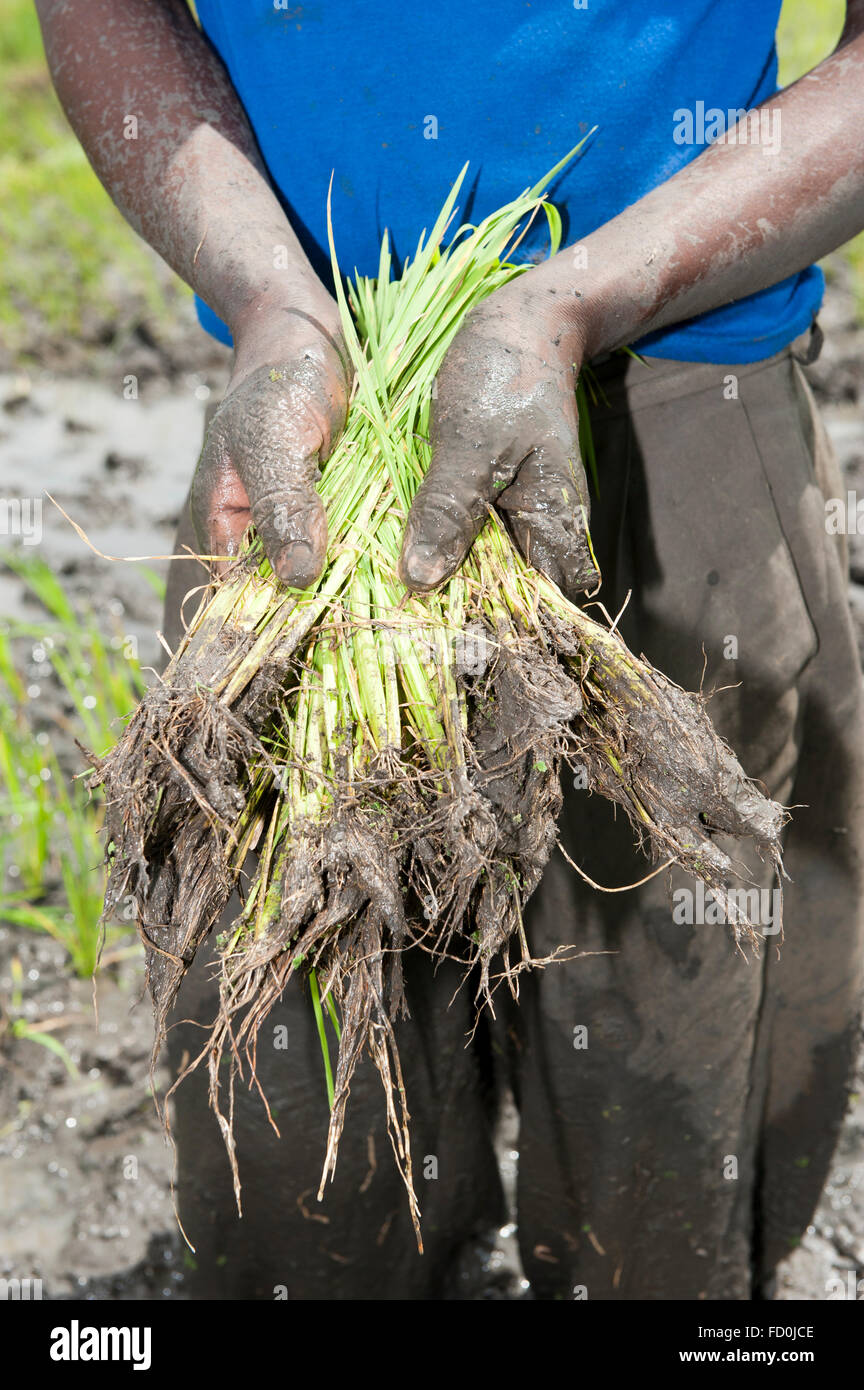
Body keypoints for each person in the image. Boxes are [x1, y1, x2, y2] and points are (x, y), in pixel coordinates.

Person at [36, 0, 864, 1300]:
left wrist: (576, 301)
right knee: (288, 1103)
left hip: (683, 378)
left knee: (681, 1087)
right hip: (307, 417)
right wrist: (271, 301)